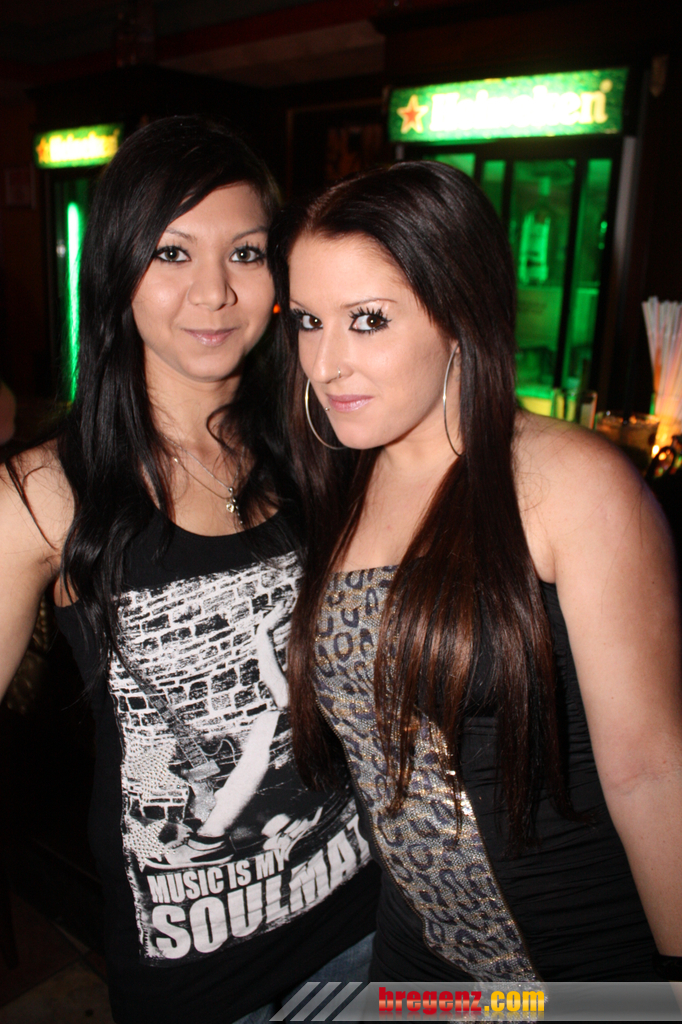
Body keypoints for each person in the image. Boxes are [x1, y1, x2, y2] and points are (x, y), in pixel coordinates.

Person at [0, 116, 378, 1024]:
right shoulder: (45, 492)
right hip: (198, 984)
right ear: (118, 268)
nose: (214, 292)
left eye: (245, 252)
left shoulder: (321, 446)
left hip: (368, 929)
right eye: (172, 252)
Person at [268, 160, 682, 983]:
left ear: (459, 312)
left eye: (368, 320)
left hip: (583, 971)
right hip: (413, 967)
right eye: (309, 321)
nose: (326, 362)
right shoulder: (341, 479)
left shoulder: (572, 484)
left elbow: (651, 770)